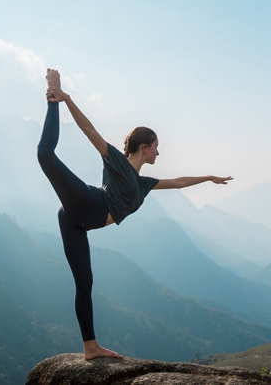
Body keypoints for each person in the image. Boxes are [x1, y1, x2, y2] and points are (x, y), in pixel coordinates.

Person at [37, 68, 232, 360]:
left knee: (85, 283)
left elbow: (178, 182)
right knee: (45, 155)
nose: (158, 153)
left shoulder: (144, 184)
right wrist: (64, 97)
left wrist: (208, 178)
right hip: (90, 204)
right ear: (144, 147)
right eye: (156, 148)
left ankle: (90, 347)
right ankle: (51, 95)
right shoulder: (117, 161)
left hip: (78, 222)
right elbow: (89, 130)